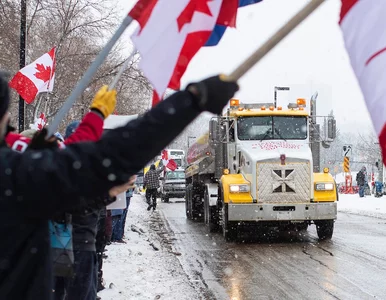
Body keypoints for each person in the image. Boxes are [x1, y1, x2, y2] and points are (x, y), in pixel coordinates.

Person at [0, 73, 238, 299]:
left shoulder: (16, 165)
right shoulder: (15, 171)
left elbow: (78, 156)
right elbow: (109, 154)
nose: (10, 121)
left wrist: (94, 117)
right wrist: (191, 100)